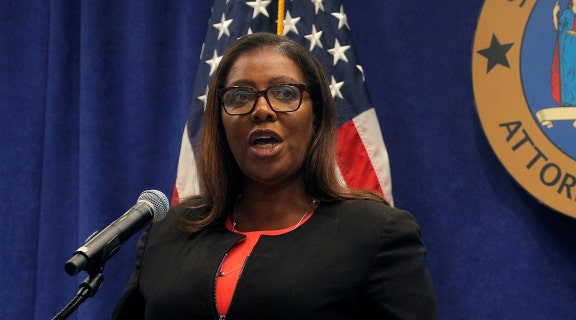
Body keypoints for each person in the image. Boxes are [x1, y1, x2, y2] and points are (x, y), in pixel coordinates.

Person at [111, 32, 438, 320]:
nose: (262, 110)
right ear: (221, 123)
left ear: (316, 119)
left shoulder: (375, 233)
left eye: (285, 93)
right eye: (240, 96)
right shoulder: (168, 233)